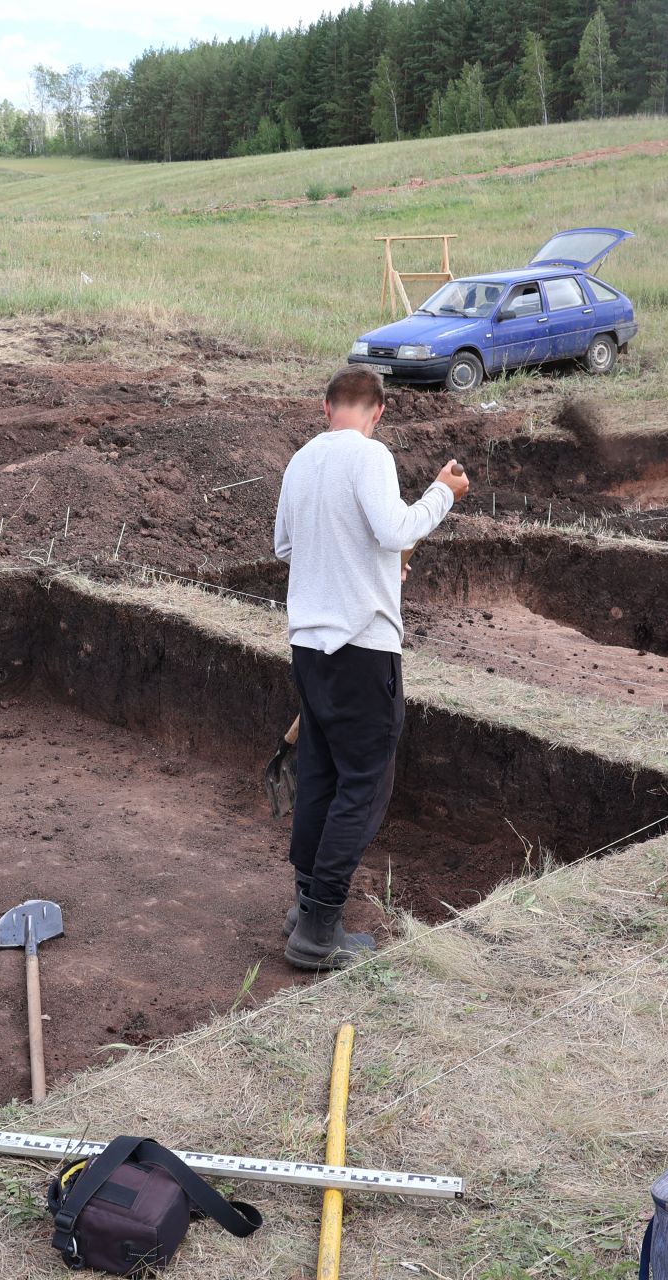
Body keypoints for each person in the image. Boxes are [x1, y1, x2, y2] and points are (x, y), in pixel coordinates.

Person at [272, 366, 467, 970]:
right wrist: (442, 493)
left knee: (322, 776)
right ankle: (318, 930)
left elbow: (287, 546)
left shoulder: (301, 461)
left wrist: (372, 563)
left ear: (325, 406)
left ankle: (305, 906)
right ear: (378, 411)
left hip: (309, 648)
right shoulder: (370, 455)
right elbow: (393, 528)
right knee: (363, 785)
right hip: (362, 649)